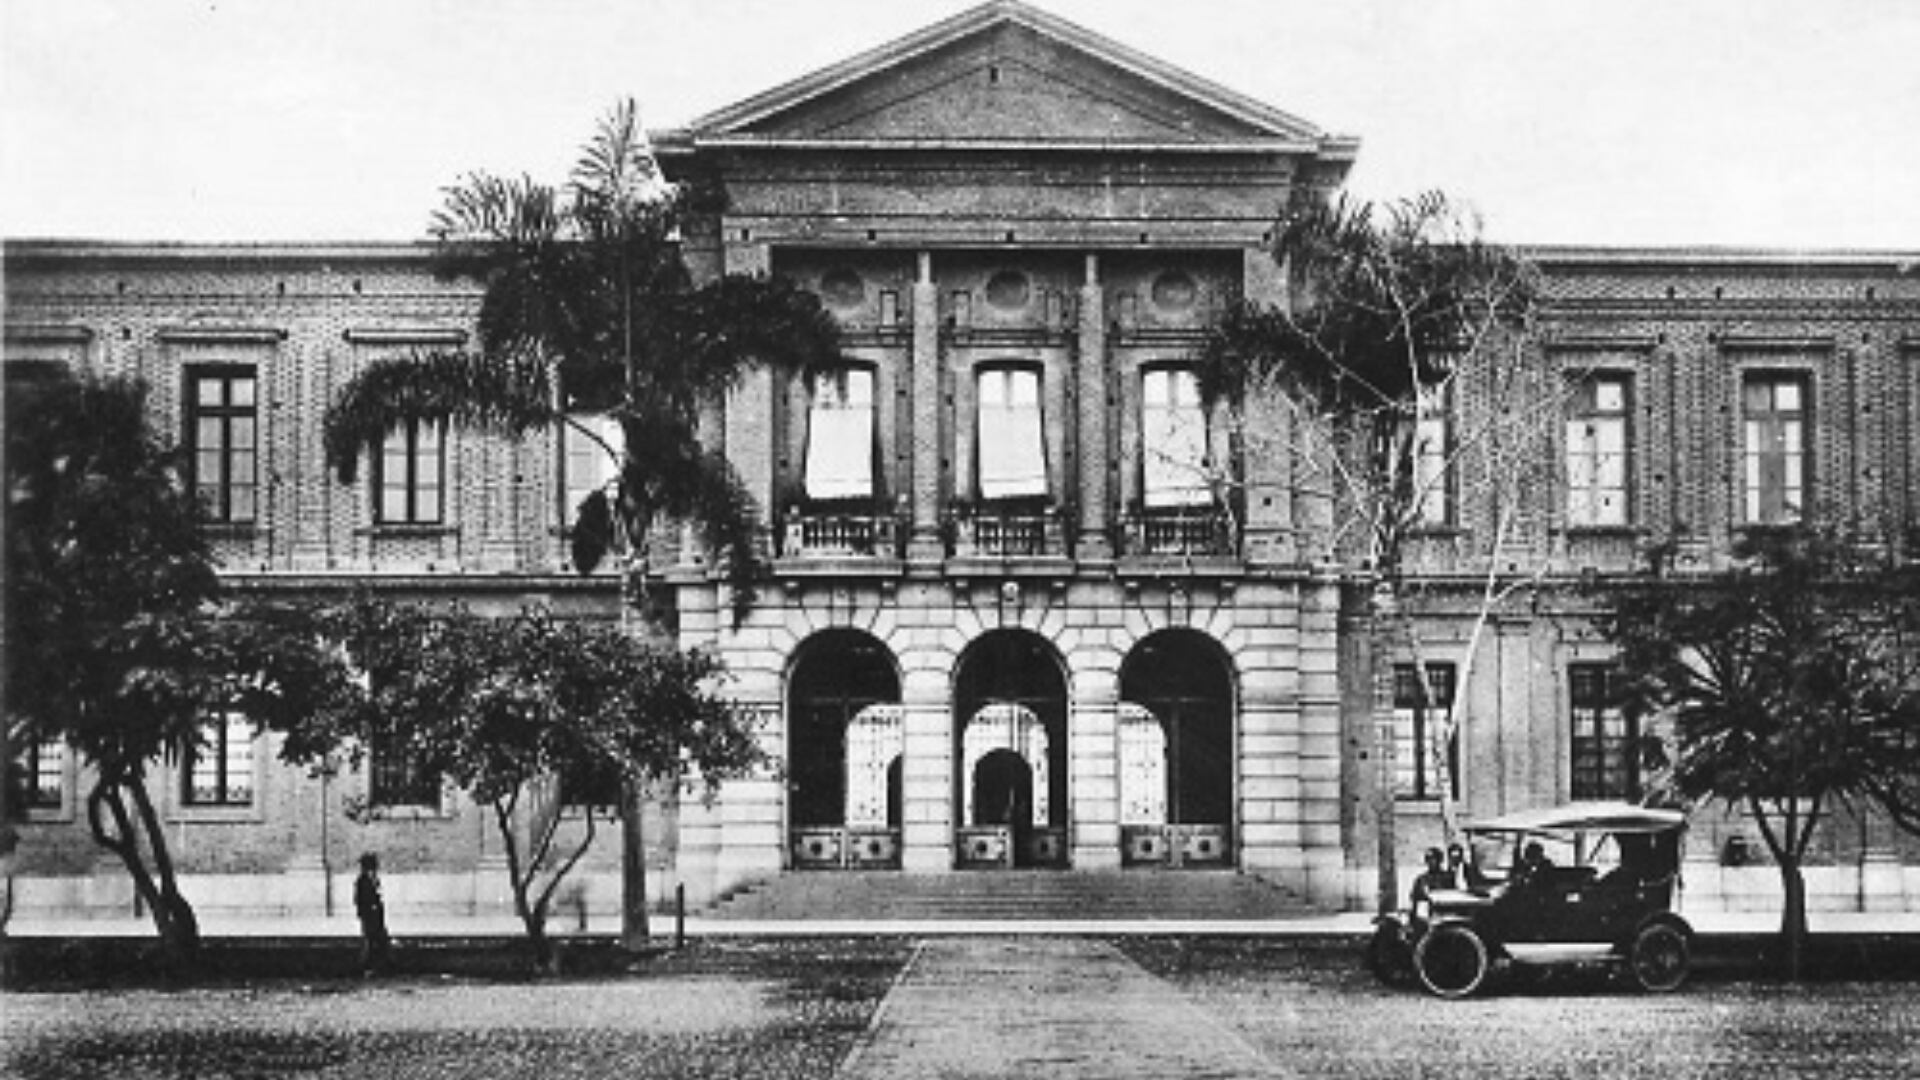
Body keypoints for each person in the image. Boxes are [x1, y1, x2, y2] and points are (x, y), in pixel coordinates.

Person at [354, 852, 391, 975]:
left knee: (378, 941)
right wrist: (369, 909)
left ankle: (376, 966)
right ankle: (366, 967)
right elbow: (360, 899)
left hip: (376, 916)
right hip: (370, 916)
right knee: (370, 942)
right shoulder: (362, 881)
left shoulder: (373, 879)